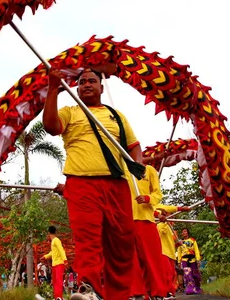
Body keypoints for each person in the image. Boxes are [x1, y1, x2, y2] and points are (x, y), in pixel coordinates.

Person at [43, 68, 144, 300]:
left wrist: (137, 164)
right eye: (81, 81)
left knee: (122, 242)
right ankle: (88, 289)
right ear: (76, 87)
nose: (86, 84)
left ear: (101, 86)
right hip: (82, 184)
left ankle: (119, 295)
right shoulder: (69, 112)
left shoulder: (116, 116)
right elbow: (51, 127)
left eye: (91, 81)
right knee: (88, 240)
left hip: (116, 185)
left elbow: (134, 146)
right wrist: (52, 90)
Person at [128, 164, 172, 300]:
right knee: (131, 260)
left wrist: (147, 198)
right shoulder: (121, 168)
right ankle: (136, 293)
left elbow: (158, 194)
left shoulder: (149, 170)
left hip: (145, 220)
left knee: (152, 259)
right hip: (126, 220)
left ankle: (157, 293)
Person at [154, 204, 190, 298]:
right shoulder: (160, 225)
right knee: (166, 274)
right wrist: (164, 221)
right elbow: (159, 235)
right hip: (163, 253)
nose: (172, 217)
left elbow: (170, 243)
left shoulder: (171, 228)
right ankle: (164, 293)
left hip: (171, 253)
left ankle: (169, 292)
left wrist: (177, 244)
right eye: (170, 215)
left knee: (172, 274)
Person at [41, 225, 68, 300]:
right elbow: (53, 252)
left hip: (59, 263)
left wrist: (65, 260)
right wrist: (45, 256)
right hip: (55, 264)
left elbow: (61, 249)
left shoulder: (56, 240)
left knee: (59, 281)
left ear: (48, 233)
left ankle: (59, 297)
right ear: (55, 232)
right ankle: (56, 297)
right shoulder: (53, 241)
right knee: (55, 281)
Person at [177, 228, 202, 294]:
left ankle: (197, 288)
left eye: (185, 231)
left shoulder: (192, 240)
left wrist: (198, 259)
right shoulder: (180, 242)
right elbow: (179, 252)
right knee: (187, 274)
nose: (184, 233)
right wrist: (179, 261)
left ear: (187, 232)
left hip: (193, 260)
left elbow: (196, 250)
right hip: (184, 260)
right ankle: (190, 289)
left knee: (195, 274)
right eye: (182, 232)